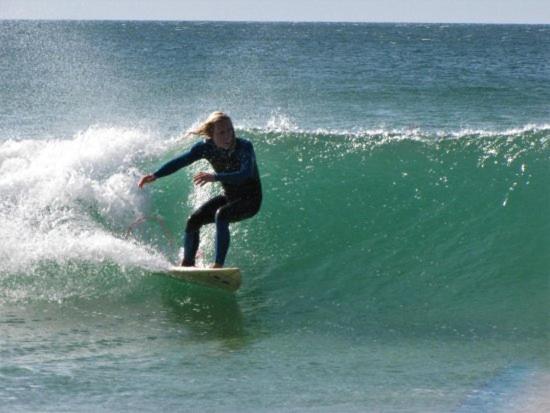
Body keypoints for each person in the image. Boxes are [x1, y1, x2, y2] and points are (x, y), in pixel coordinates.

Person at [138, 112, 262, 268]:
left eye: (230, 130)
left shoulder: (244, 147)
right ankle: (187, 264)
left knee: (222, 214)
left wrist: (215, 177)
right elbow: (182, 161)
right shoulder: (205, 148)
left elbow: (244, 174)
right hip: (230, 197)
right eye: (222, 132)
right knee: (194, 220)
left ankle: (218, 266)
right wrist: (156, 174)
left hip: (251, 200)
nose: (228, 136)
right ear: (211, 134)